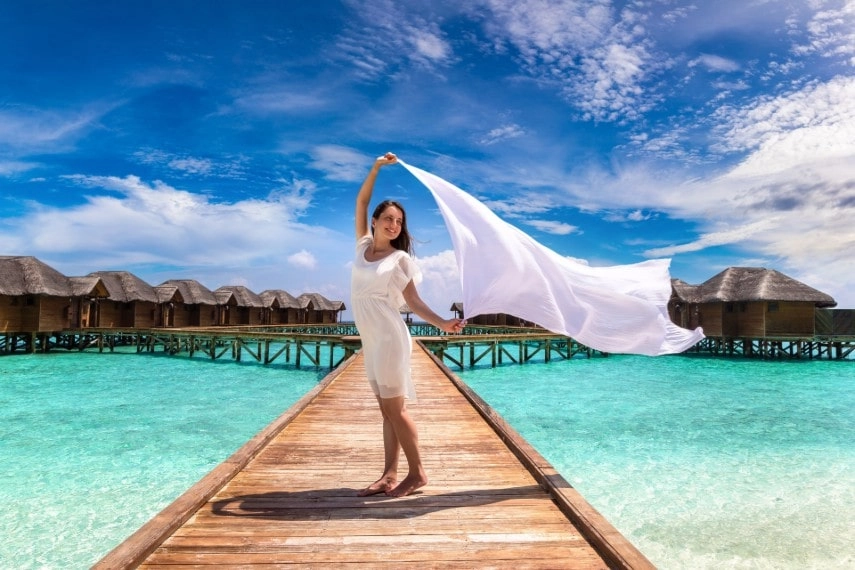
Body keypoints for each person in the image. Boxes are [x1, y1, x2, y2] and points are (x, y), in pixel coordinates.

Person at [351, 152, 465, 498]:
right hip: (371, 340)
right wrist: (374, 169)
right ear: (374, 222)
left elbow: (413, 302)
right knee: (385, 410)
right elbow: (361, 200)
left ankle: (417, 473)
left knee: (395, 410)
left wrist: (443, 322)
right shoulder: (363, 247)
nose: (394, 225)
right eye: (388, 219)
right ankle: (389, 474)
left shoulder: (400, 259)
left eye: (399, 221)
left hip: (389, 337)